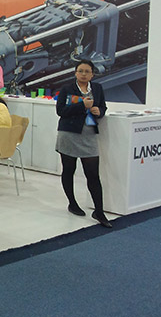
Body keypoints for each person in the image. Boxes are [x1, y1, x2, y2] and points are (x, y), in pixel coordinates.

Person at [55, 60, 112, 228]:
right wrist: (82, 105)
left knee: (93, 174)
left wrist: (99, 111)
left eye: (87, 71)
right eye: (80, 71)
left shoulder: (98, 88)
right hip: (69, 134)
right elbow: (60, 111)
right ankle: (72, 203)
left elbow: (103, 107)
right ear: (75, 73)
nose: (84, 74)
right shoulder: (67, 89)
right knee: (69, 170)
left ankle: (99, 211)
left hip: (89, 135)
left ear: (92, 74)